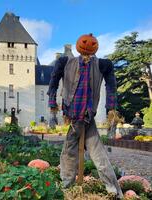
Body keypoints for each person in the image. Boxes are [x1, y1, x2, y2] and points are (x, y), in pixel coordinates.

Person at [47, 33, 123, 198]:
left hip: (87, 115)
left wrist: (111, 108)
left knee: (74, 153)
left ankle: (69, 188)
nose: (87, 45)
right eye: (85, 42)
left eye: (92, 43)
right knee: (79, 153)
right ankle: (113, 192)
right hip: (74, 116)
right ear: (78, 44)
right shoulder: (66, 62)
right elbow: (53, 82)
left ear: (96, 46)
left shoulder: (102, 65)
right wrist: (52, 103)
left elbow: (111, 87)